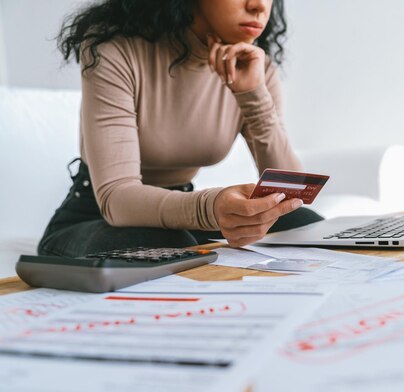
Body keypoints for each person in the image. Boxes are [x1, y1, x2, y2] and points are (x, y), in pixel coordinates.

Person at [38, 0, 323, 257]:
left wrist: (254, 97)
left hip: (179, 218)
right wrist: (211, 209)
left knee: (305, 225)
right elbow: (117, 197)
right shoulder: (114, 48)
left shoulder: (256, 67)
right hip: (93, 217)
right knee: (170, 245)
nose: (258, 6)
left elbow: (295, 193)